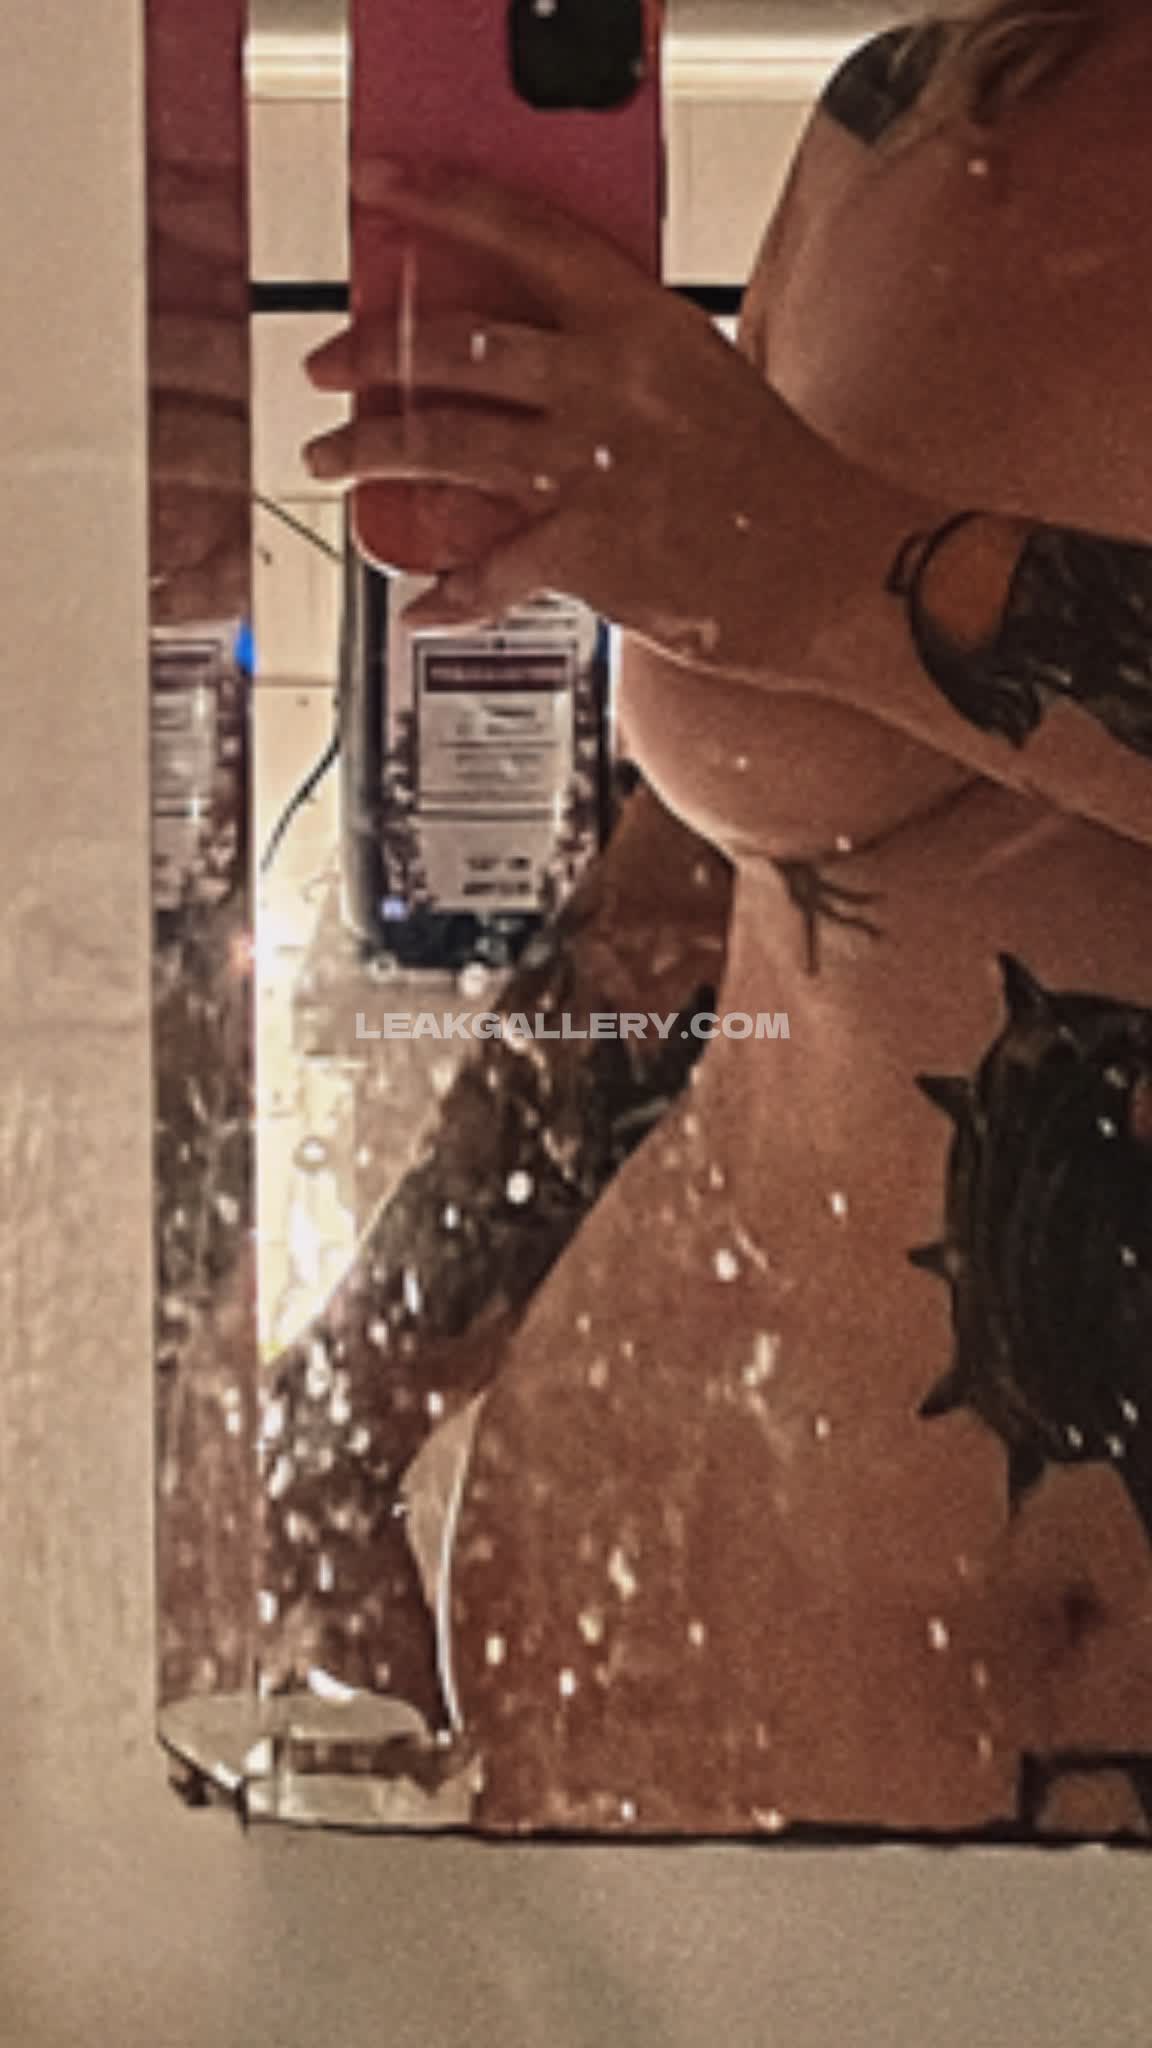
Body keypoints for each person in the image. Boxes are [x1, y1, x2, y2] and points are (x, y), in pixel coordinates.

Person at [266, 0, 1152, 1835]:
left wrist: (831, 565)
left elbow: (788, 574)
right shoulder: (907, 117)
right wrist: (352, 1403)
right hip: (645, 1740)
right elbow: (693, 885)